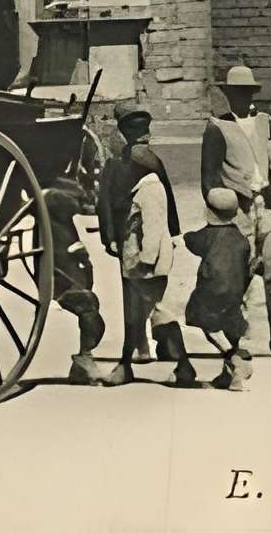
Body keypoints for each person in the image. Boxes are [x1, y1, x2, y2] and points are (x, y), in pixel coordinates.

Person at [200, 63, 271, 359]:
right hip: (236, 210)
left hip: (266, 205)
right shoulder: (217, 127)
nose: (243, 98)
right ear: (228, 95)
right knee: (238, 276)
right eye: (237, 93)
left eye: (247, 92)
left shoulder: (264, 122)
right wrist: (220, 208)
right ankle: (239, 339)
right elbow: (207, 177)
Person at [97, 98, 180, 367]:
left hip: (127, 236)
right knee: (157, 290)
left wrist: (108, 236)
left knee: (131, 291)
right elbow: (168, 199)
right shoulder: (153, 160)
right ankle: (163, 345)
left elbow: (105, 204)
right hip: (151, 234)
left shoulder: (114, 164)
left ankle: (140, 346)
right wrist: (173, 234)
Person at [119, 141, 196, 387]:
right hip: (142, 266)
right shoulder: (146, 188)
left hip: (146, 268)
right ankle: (125, 366)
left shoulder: (149, 191)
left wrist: (145, 261)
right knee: (139, 315)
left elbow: (152, 230)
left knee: (159, 314)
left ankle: (183, 365)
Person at [45, 156, 110, 385]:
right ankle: (84, 359)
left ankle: (82, 362)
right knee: (90, 312)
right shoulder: (57, 218)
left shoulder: (53, 219)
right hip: (65, 276)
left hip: (65, 271)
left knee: (90, 310)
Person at [183, 188, 252, 390]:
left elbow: (192, 241)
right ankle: (230, 377)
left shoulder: (208, 235)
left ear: (209, 212)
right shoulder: (240, 238)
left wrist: (185, 236)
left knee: (208, 326)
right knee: (231, 329)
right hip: (235, 291)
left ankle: (234, 359)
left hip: (211, 289)